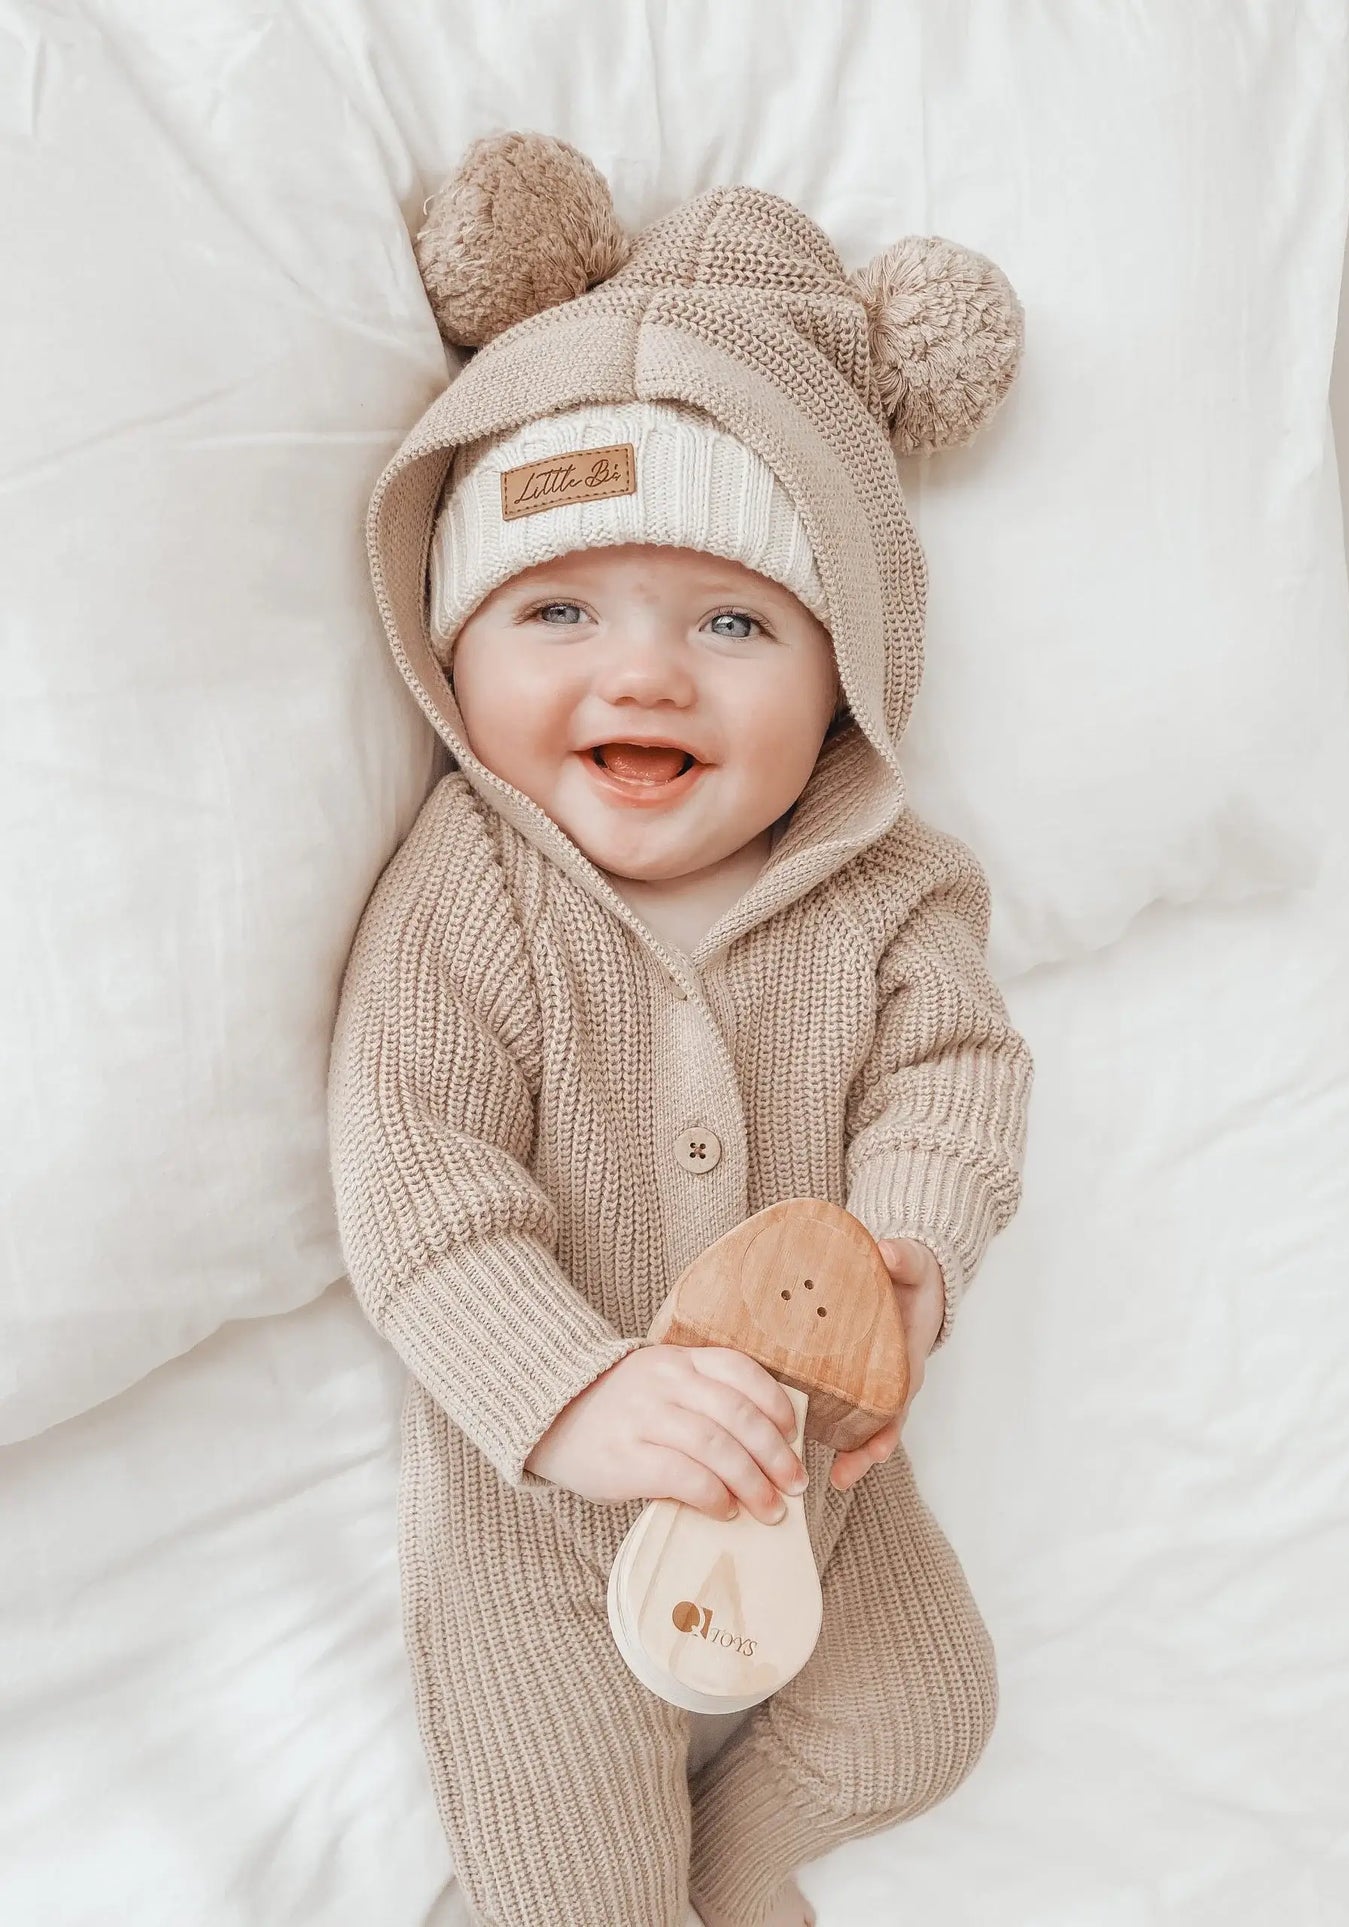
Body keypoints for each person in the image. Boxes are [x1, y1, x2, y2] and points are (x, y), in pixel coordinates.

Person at [327, 129, 1034, 1927]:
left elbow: (956, 1074)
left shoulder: (890, 887)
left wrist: (910, 1252)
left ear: (846, 683)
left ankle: (728, 1877)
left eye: (731, 620)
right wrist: (572, 1396)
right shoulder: (473, 893)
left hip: (810, 1472)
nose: (642, 673)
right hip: (541, 1516)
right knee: (570, 1867)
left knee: (924, 1720)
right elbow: (414, 1179)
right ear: (449, 650)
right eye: (556, 609)